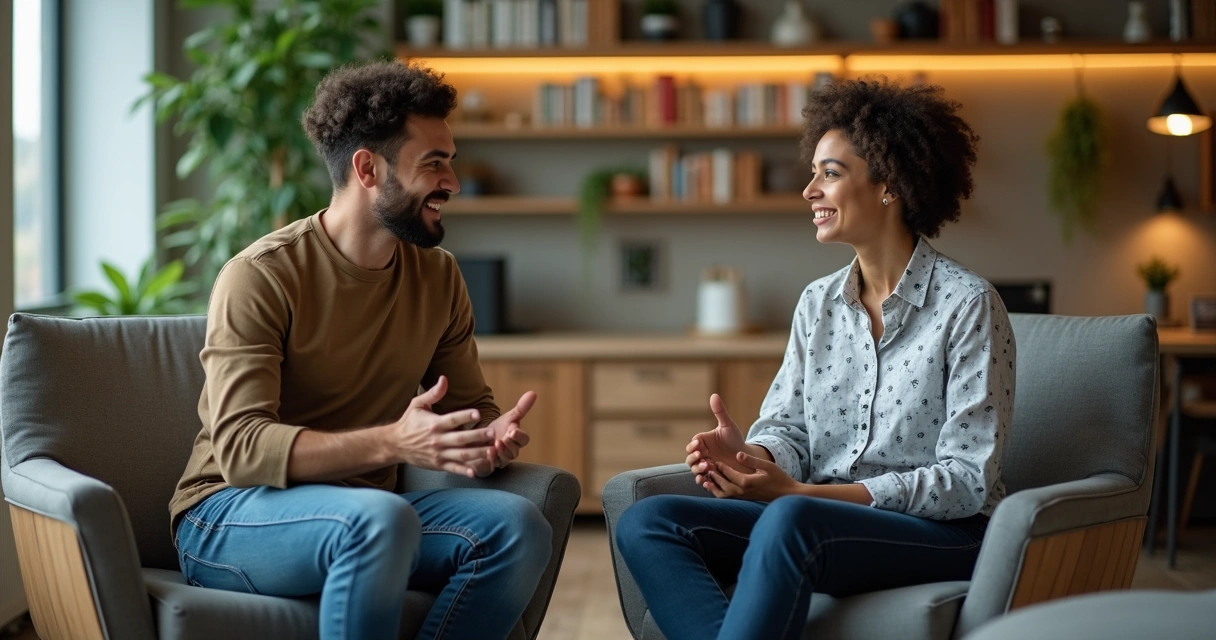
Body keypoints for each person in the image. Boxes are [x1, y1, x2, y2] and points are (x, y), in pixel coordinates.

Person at [614, 78, 1016, 640]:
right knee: (648, 521)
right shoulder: (817, 303)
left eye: (830, 173)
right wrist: (753, 454)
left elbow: (968, 480)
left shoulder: (968, 305)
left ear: (889, 185)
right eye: (814, 172)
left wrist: (806, 497)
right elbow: (790, 431)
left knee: (791, 520)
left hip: (942, 532)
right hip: (810, 521)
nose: (809, 190)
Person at [169, 61, 551, 640]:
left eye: (450, 160)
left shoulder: (439, 277)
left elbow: (469, 407)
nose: (452, 181)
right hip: (231, 512)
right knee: (381, 520)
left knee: (520, 526)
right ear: (368, 168)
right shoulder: (261, 276)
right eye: (434, 162)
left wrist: (484, 441)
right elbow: (243, 449)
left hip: (374, 514)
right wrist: (395, 441)